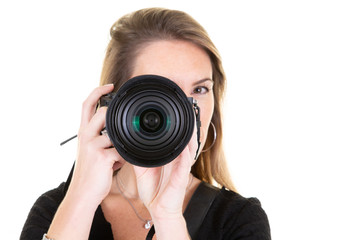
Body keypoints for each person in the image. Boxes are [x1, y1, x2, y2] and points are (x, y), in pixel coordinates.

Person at [20, 8, 271, 240]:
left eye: (200, 89)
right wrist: (81, 197)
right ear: (114, 102)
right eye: (162, 90)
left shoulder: (238, 219)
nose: (183, 110)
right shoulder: (56, 210)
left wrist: (168, 217)